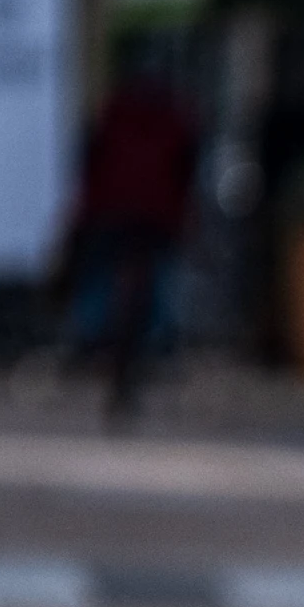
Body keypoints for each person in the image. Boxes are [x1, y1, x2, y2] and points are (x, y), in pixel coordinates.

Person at [69, 52, 202, 422]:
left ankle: (96, 339)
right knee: (152, 279)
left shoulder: (113, 111)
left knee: (108, 277)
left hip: (113, 209)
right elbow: (186, 165)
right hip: (156, 213)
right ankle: (152, 342)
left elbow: (91, 157)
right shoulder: (177, 115)